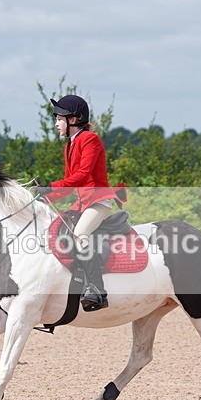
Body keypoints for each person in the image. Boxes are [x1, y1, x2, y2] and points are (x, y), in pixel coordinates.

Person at [35, 94, 123, 312]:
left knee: (80, 234)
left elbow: (83, 176)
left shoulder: (90, 139)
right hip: (83, 203)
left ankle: (97, 289)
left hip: (99, 201)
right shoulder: (69, 145)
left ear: (73, 119)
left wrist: (51, 186)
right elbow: (69, 185)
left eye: (59, 119)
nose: (56, 124)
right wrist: (44, 197)